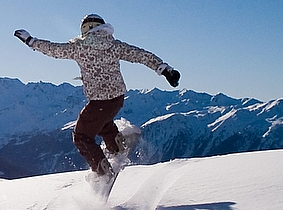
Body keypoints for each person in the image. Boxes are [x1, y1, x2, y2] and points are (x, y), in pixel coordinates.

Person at [15, 14, 180, 178]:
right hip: (117, 99)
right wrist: (164, 69)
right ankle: (117, 145)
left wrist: (31, 41)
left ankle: (103, 172)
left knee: (81, 136)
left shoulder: (79, 47)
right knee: (102, 123)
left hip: (99, 102)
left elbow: (54, 50)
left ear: (86, 28)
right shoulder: (114, 45)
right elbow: (140, 55)